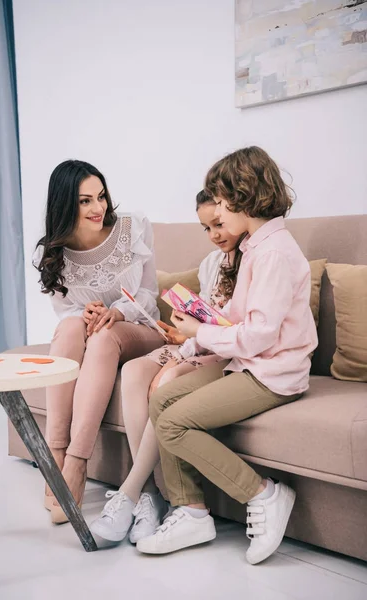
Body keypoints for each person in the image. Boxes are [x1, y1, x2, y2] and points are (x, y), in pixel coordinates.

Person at [137, 146, 318, 565]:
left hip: (272, 373)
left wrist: (200, 331)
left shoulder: (273, 252)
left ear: (244, 195)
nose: (217, 211)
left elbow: (257, 337)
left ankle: (264, 494)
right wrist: (196, 331)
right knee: (162, 399)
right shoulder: (256, 247)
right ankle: (191, 512)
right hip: (247, 364)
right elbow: (238, 319)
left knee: (175, 423)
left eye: (219, 201)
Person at [90, 190, 245, 544]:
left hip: (225, 355)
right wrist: (180, 337)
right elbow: (203, 319)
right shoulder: (211, 264)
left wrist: (188, 346)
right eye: (206, 228)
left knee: (167, 380)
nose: (215, 234)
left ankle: (129, 493)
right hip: (195, 345)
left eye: (219, 224)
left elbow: (235, 331)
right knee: (133, 372)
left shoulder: (252, 263)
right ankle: (150, 495)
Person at [33, 159, 163, 524]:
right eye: (85, 201)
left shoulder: (132, 227)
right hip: (91, 333)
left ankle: (76, 462)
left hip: (139, 329)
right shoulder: (53, 250)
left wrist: (117, 312)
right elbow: (66, 312)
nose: (98, 208)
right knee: (74, 329)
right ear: (64, 204)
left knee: (104, 337)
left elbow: (149, 296)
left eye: (101, 196)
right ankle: (54, 452)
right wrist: (85, 312)